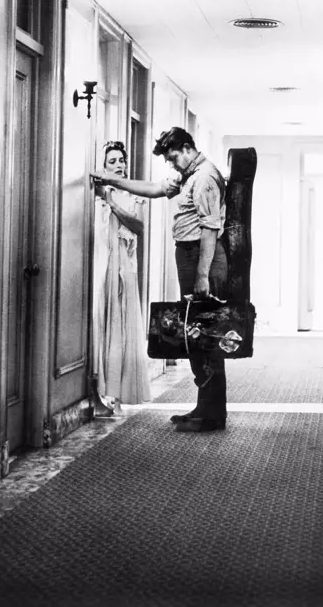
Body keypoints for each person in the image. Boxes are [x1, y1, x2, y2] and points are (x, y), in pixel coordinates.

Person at [91, 127, 228, 432]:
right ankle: (206, 406)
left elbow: (209, 229)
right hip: (190, 255)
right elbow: (155, 188)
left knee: (203, 334)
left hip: (200, 257)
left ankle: (211, 413)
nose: (172, 164)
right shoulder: (188, 173)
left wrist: (202, 276)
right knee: (196, 333)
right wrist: (111, 180)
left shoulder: (204, 177)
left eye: (173, 156)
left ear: (187, 147)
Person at [91, 141, 151, 416]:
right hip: (101, 267)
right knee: (100, 326)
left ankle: (117, 394)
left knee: (120, 328)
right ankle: (99, 393)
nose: (118, 165)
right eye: (112, 161)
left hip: (124, 269)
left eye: (121, 160)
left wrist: (112, 202)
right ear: (103, 165)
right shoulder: (94, 194)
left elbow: (138, 227)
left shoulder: (133, 196)